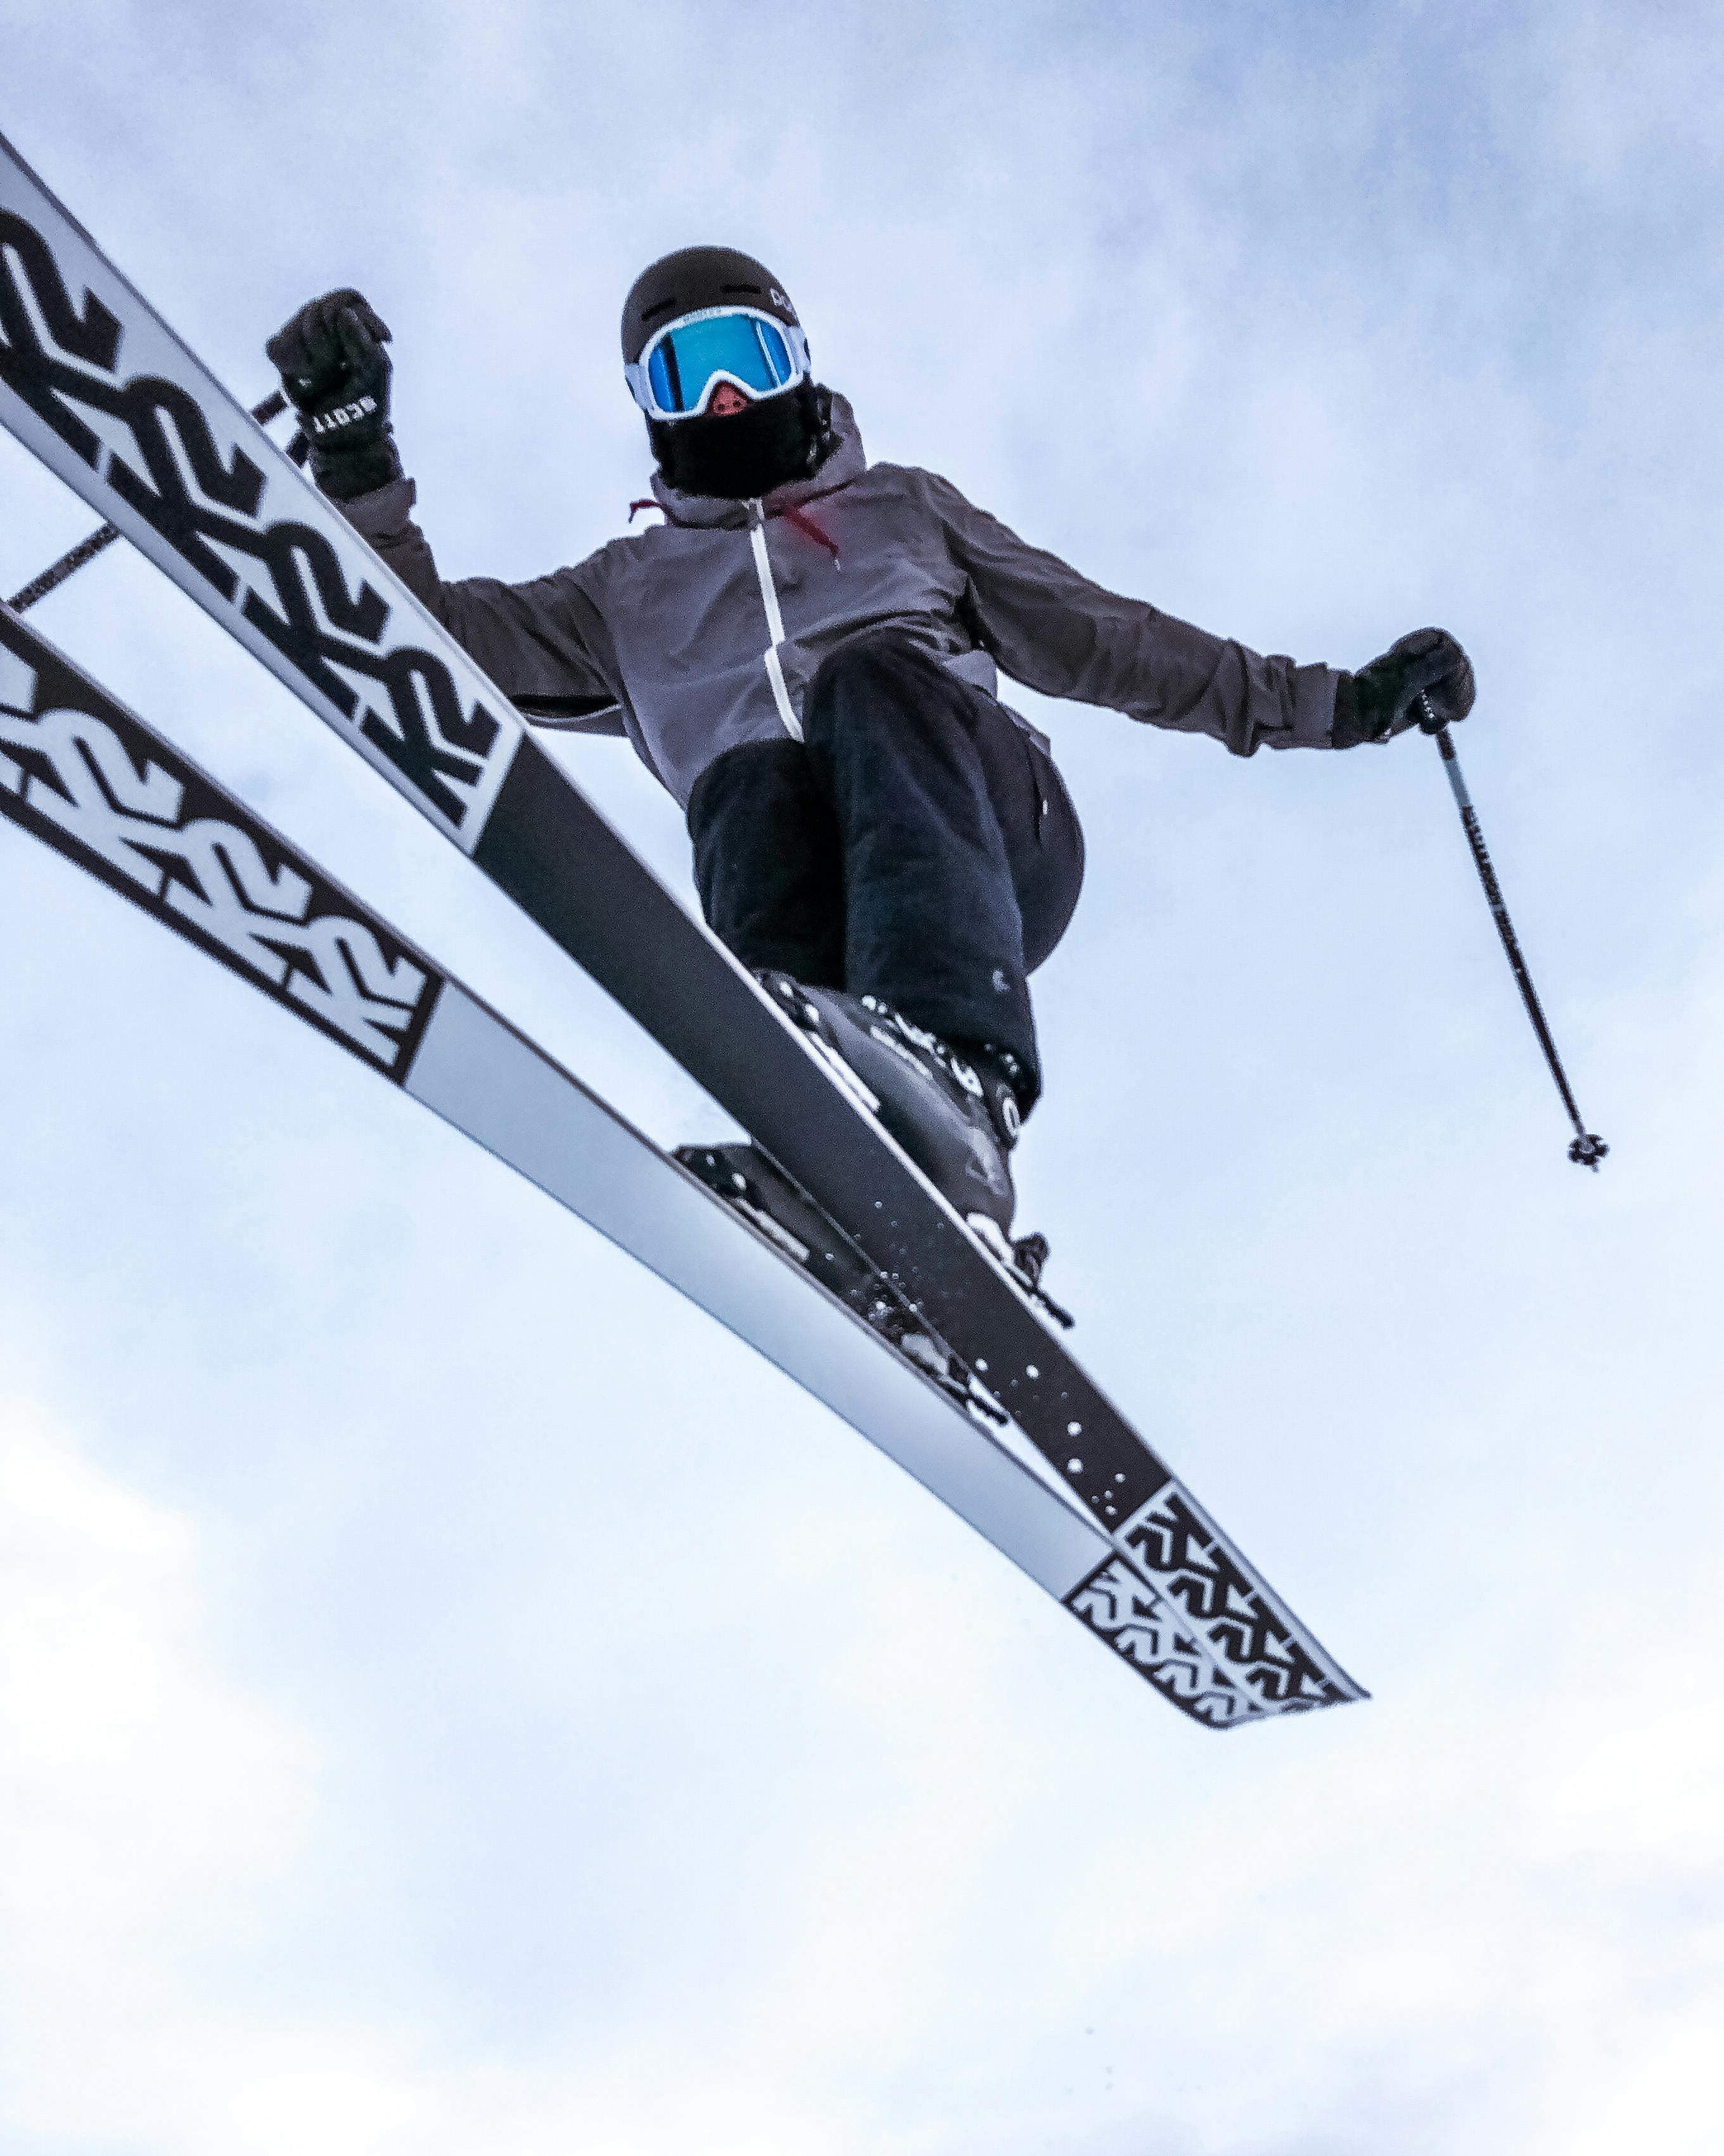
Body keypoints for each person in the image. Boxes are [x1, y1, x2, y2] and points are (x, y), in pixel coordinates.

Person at [265, 249, 1474, 1250]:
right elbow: (407, 645)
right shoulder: (620, 594)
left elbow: (1115, 642)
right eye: (691, 373)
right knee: (740, 779)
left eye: (750, 359)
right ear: (651, 405)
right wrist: (354, 457)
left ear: (801, 365)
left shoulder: (907, 510)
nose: (728, 399)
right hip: (825, 912)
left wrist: (1340, 704)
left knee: (866, 679)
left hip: (989, 844)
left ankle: (960, 1081)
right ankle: (816, 1144)